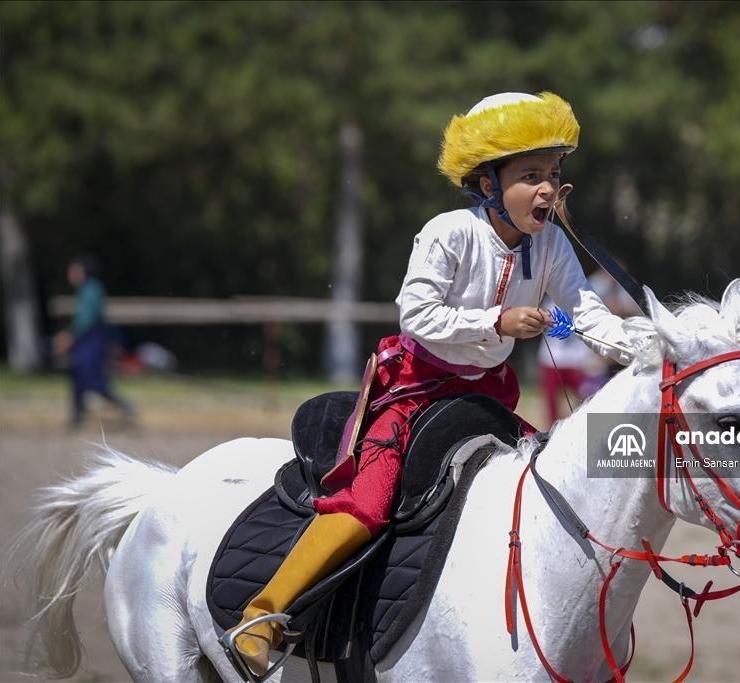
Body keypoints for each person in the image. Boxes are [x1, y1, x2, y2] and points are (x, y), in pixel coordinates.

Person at [231, 91, 631, 674]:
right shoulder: (446, 232)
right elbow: (416, 318)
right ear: (488, 184)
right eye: (530, 176)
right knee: (367, 503)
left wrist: (660, 348)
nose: (548, 189)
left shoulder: (550, 245)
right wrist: (496, 322)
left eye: (554, 174)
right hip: (413, 393)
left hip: (486, 398)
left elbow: (588, 315)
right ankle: (264, 613)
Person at [537, 267, 640, 425]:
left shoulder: (585, 293)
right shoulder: (552, 298)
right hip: (553, 360)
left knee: (589, 401)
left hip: (578, 360)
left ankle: (588, 432)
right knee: (552, 407)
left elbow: (601, 312)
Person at [53, 254, 133, 427]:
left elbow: (87, 319)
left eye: (74, 269)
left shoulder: (91, 289)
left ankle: (124, 405)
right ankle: (77, 415)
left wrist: (68, 336)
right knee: (77, 375)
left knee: (91, 376)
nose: (70, 273)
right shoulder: (84, 290)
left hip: (91, 341)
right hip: (85, 341)